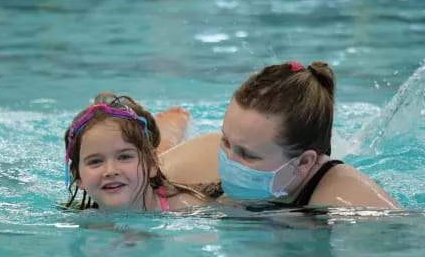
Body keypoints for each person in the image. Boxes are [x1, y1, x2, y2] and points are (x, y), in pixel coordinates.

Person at [160, 61, 400, 208]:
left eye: (248, 155)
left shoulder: (349, 201)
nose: (228, 160)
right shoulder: (208, 153)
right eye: (226, 140)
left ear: (304, 162)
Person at [64, 92, 207, 211]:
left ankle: (173, 123)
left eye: (124, 157)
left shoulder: (188, 208)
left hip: (185, 173)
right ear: (78, 177)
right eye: (95, 161)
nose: (110, 171)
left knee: (165, 150)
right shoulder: (77, 216)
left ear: (152, 164)